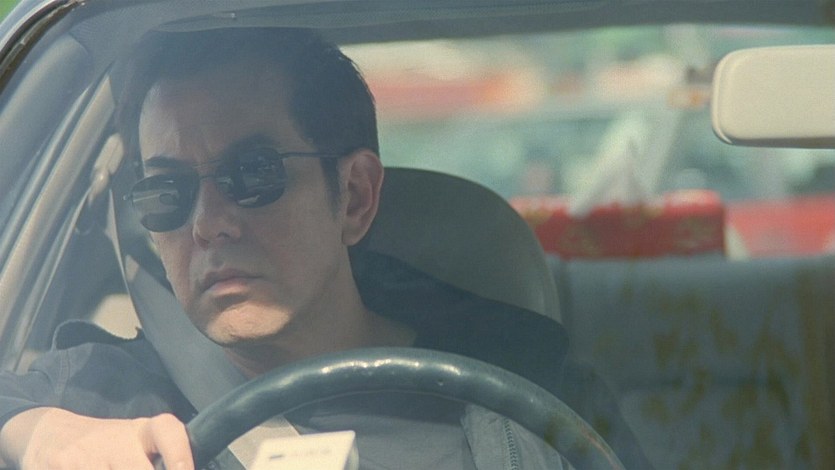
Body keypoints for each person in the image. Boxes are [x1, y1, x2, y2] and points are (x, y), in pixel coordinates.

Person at [0, 28, 650, 469]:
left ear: (355, 196)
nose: (208, 224)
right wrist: (35, 433)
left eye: (253, 175)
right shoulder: (102, 396)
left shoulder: (534, 391)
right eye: (167, 192)